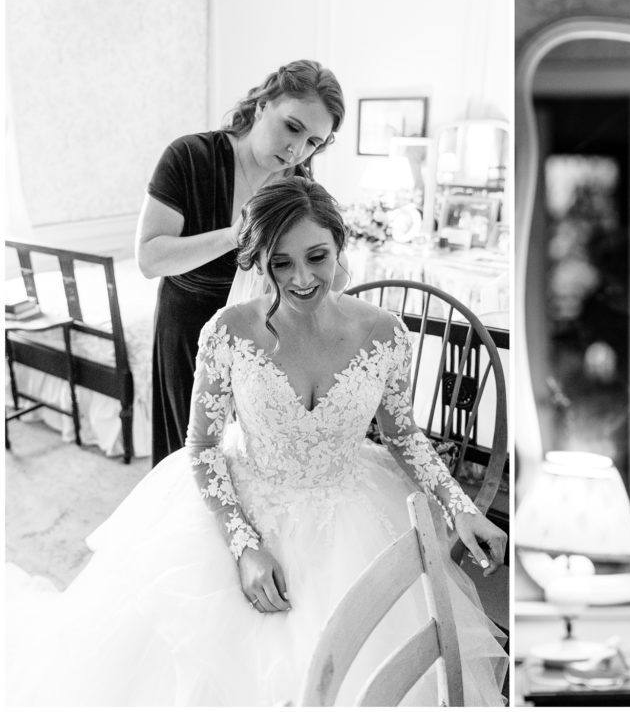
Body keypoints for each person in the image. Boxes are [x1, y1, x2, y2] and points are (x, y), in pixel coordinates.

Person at [7, 177, 509, 706]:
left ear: (340, 248)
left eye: (317, 256)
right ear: (258, 263)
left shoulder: (384, 333)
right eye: (280, 263)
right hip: (245, 505)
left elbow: (401, 433)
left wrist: (458, 506)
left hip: (352, 508)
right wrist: (244, 545)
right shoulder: (227, 331)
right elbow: (201, 445)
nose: (301, 279)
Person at [137, 59, 345, 466]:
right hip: (189, 329)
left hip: (263, 336)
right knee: (193, 455)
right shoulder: (189, 157)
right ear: (264, 104)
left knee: (251, 460)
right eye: (292, 127)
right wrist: (233, 236)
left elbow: (333, 276)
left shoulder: (298, 185)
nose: (296, 150)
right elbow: (149, 258)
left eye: (313, 143)